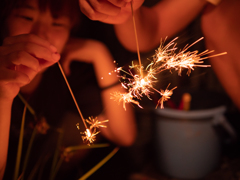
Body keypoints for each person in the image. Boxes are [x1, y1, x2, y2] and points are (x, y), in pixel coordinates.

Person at [0, 0, 136, 179]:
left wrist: (99, 53)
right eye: (27, 17)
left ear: (70, 31)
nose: (40, 33)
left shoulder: (67, 75)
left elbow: (124, 135)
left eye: (57, 23)